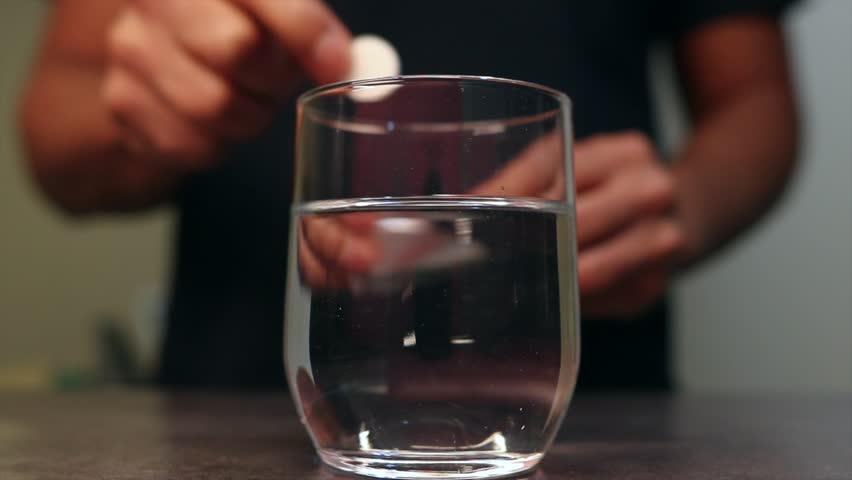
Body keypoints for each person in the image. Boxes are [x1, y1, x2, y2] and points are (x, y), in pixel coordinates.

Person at [19, 0, 799, 390]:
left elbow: (756, 101)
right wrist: (148, 107)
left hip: (586, 420)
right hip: (235, 403)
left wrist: (681, 203)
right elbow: (58, 121)